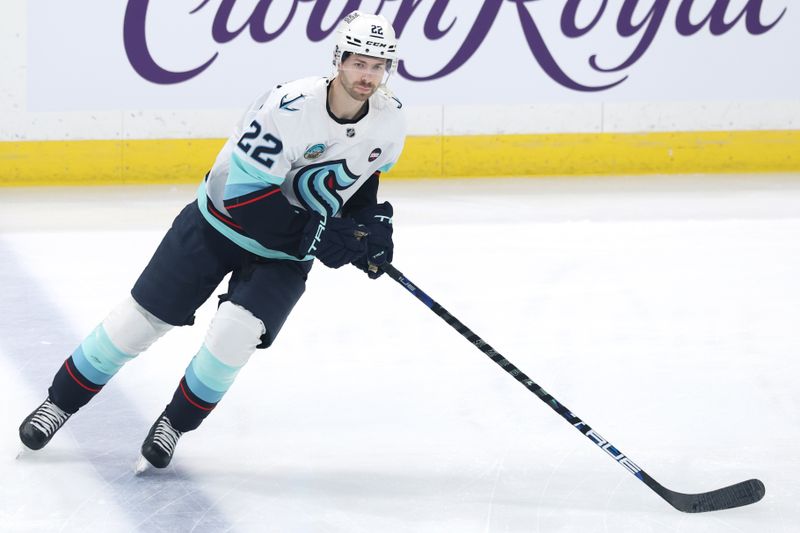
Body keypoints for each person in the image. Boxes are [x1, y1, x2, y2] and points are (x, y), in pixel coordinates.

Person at [18, 10, 406, 470]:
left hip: (284, 256)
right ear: (339, 60)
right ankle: (59, 403)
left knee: (235, 335)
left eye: (379, 66)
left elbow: (360, 184)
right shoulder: (289, 106)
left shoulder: (389, 119)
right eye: (360, 62)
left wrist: (371, 229)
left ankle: (174, 424)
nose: (369, 76)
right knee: (137, 322)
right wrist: (319, 234)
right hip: (215, 228)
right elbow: (241, 195)